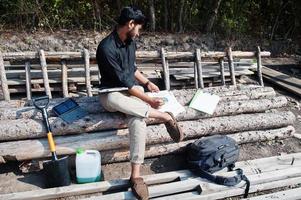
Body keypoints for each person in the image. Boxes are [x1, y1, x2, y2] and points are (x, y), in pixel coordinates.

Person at [96, 6, 183, 200]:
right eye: (139, 28)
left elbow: (132, 70)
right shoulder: (106, 48)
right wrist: (150, 103)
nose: (139, 32)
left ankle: (135, 176)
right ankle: (164, 117)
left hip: (133, 92)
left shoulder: (130, 42)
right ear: (130, 24)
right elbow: (125, 83)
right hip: (111, 93)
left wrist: (147, 82)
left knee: (137, 119)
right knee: (113, 98)